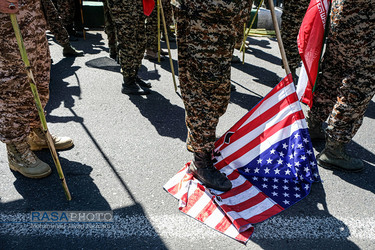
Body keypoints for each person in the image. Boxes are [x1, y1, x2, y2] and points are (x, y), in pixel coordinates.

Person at [174, 0, 245, 191]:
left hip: (221, 33)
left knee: (218, 99)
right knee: (204, 101)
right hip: (202, 32)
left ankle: (201, 144)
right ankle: (201, 161)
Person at [0, 0, 73, 179]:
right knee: (15, 88)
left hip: (33, 16)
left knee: (39, 80)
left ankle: (34, 133)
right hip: (7, 21)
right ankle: (17, 150)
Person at [307, 0, 375, 172]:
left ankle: (313, 124)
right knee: (357, 87)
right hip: (364, 30)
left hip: (342, 20)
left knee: (332, 75)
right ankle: (334, 150)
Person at [104, 0, 152, 95]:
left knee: (140, 42)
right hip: (122, 7)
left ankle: (133, 76)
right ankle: (128, 82)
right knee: (128, 44)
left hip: (136, 6)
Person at [280, 0, 309, 80]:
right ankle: (292, 72)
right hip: (305, 8)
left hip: (294, 8)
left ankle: (290, 75)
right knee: (300, 37)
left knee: (290, 37)